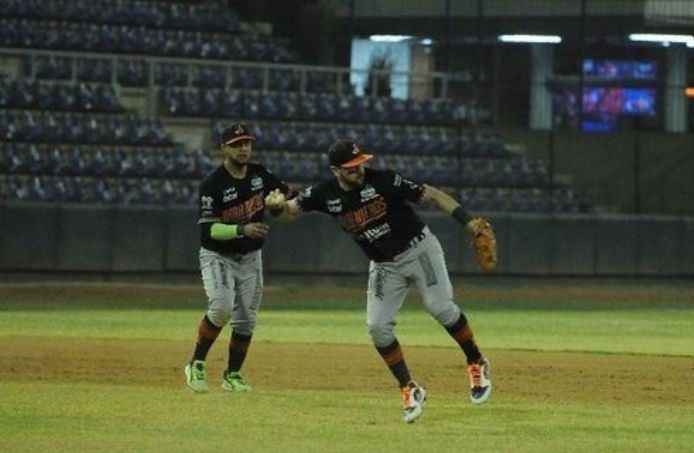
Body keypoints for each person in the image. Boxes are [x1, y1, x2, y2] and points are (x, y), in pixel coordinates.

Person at [265, 139, 492, 423]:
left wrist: (468, 221)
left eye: (361, 163)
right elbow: (288, 212)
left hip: (419, 250)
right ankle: (409, 388)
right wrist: (275, 208)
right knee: (377, 328)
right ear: (335, 170)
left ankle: (476, 361)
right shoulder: (324, 193)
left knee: (440, 307)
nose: (359, 170)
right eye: (350, 168)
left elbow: (432, 195)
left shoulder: (384, 181)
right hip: (385, 265)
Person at [184, 123, 293, 393]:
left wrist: (279, 205)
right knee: (221, 307)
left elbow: (284, 198)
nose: (244, 148)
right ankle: (196, 363)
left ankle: (232, 375)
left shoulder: (260, 174)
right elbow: (210, 229)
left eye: (247, 143)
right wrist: (242, 229)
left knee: (246, 318)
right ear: (224, 148)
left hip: (251, 256)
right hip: (218, 255)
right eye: (237, 144)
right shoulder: (213, 184)